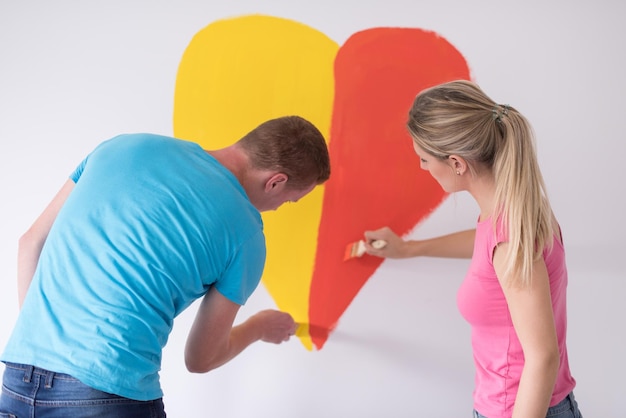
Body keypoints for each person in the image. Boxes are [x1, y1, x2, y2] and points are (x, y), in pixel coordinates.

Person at [0, 115, 331, 417]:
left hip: (18, 379)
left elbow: (30, 243)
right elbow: (201, 359)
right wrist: (259, 326)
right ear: (275, 181)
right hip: (107, 392)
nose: (277, 208)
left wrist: (43, 344)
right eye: (289, 201)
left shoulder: (121, 146)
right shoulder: (247, 235)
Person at [363, 80, 582, 418]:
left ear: (456, 163)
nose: (422, 168)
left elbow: (543, 357)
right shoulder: (517, 212)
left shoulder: (510, 240)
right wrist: (408, 249)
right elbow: (484, 244)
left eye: (423, 159)